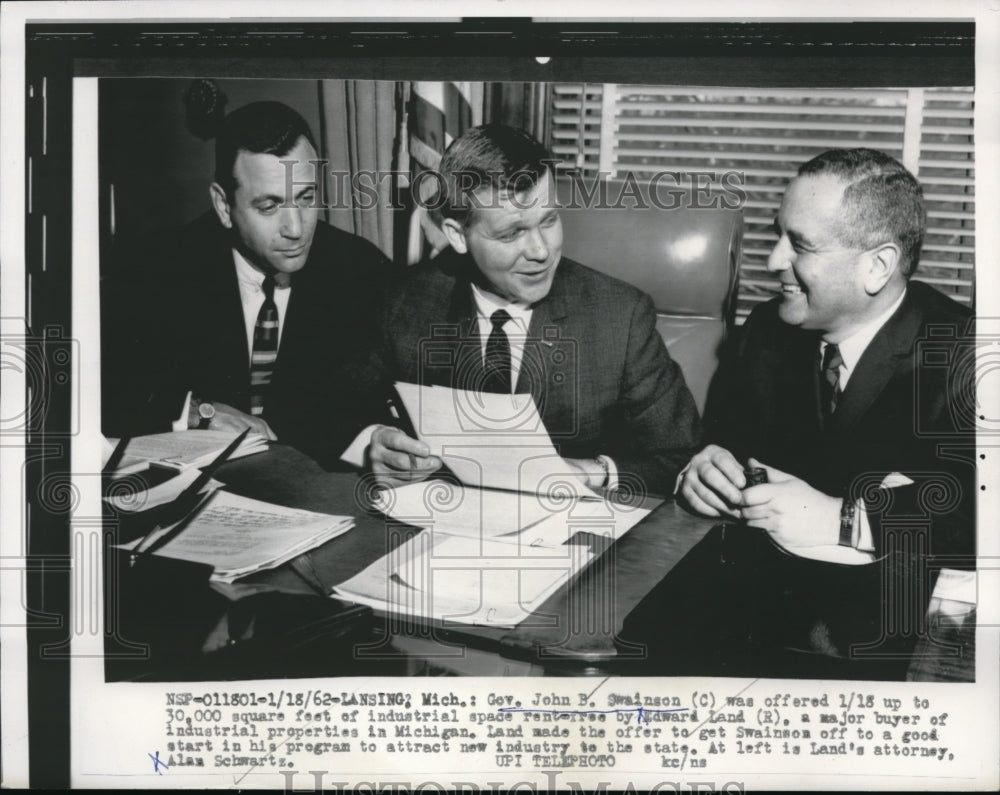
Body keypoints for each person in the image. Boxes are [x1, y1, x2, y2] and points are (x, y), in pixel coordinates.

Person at [622, 148, 975, 678]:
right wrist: (701, 469)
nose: (772, 262)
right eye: (778, 234)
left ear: (877, 265)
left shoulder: (969, 353)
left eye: (800, 246)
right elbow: (724, 444)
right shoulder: (766, 331)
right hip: (744, 612)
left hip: (871, 644)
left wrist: (846, 517)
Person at [359, 124, 701, 495]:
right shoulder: (405, 301)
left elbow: (681, 457)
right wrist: (373, 442)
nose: (540, 251)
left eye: (549, 220)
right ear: (458, 235)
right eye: (512, 233)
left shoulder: (621, 316)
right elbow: (330, 405)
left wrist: (594, 472)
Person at [102, 100, 392, 463]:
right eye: (269, 207)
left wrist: (375, 444)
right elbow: (104, 392)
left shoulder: (362, 270)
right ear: (224, 206)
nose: (296, 229)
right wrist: (197, 412)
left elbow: (362, 406)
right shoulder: (156, 269)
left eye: (306, 198)